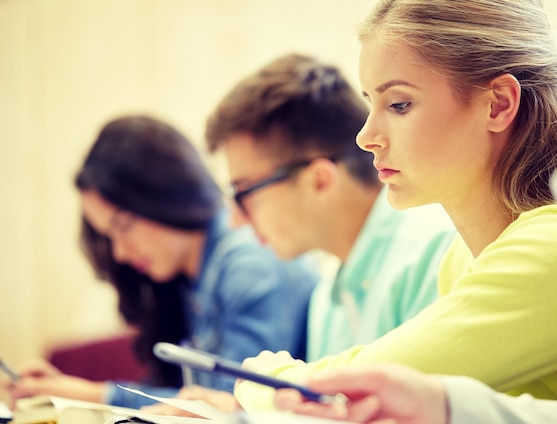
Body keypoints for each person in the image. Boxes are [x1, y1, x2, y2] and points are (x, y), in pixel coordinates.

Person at [271, 0, 557, 422]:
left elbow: (359, 383)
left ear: (498, 104)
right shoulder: (461, 255)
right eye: (370, 103)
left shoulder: (556, 246)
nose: (366, 137)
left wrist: (252, 378)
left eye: (398, 104)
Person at [142, 52, 456, 417]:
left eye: (243, 194)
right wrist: (242, 414)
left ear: (319, 180)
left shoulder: (434, 253)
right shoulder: (327, 295)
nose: (237, 221)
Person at [5, 115, 318, 409]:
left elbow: (227, 405)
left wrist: (87, 394)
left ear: (165, 196)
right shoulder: (188, 279)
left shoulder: (249, 262)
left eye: (123, 226)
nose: (120, 253)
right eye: (108, 237)